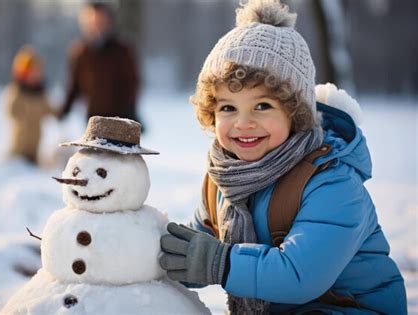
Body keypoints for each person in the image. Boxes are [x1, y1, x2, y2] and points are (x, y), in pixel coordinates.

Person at [158, 0, 407, 314]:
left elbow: (300, 274)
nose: (243, 123)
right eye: (228, 108)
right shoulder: (223, 179)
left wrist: (219, 263)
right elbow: (192, 253)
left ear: (295, 113)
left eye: (262, 106)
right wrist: (146, 247)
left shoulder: (332, 181)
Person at [59, 2, 140, 123]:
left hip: (120, 118)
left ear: (109, 21)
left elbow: (132, 82)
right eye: (92, 22)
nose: (96, 26)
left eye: (100, 21)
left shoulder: (122, 51)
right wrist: (66, 108)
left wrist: (130, 108)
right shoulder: (80, 52)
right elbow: (74, 84)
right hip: (93, 118)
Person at [5, 46, 55, 164]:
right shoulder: (17, 92)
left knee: (33, 164)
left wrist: (59, 113)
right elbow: (10, 110)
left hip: (34, 146)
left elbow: (49, 109)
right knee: (17, 163)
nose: (33, 76)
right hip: (19, 145)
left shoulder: (41, 94)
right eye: (29, 73)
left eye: (36, 73)